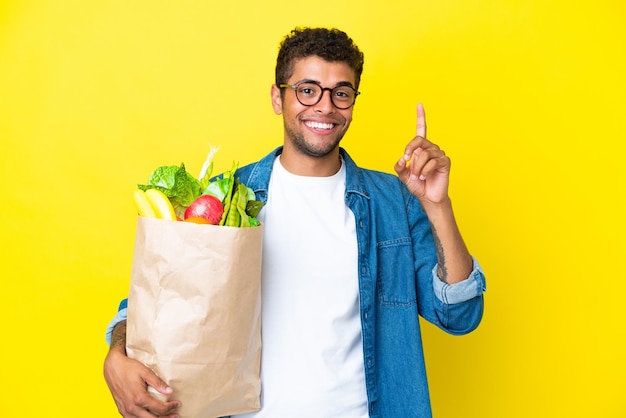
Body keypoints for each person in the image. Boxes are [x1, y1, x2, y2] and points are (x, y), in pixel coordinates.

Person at [103, 27, 486, 418]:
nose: (325, 106)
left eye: (341, 92)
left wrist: (437, 205)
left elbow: (460, 315)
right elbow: (157, 302)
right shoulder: (227, 199)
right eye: (307, 89)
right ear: (277, 96)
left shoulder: (393, 202)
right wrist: (116, 354)